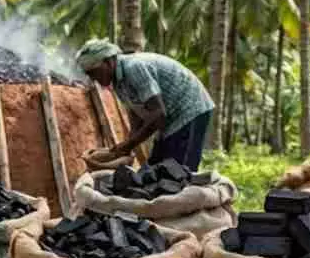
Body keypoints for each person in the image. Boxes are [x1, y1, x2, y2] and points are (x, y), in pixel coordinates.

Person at [76, 39, 216, 171]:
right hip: (171, 117)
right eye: (88, 74)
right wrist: (127, 145)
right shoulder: (118, 83)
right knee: (156, 168)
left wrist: (129, 144)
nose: (92, 78)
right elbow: (136, 115)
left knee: (179, 172)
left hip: (190, 109)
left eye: (93, 72)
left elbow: (158, 115)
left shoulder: (134, 68)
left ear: (108, 61)